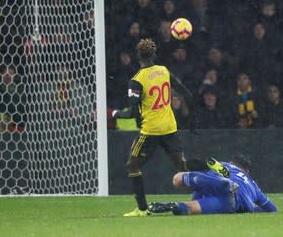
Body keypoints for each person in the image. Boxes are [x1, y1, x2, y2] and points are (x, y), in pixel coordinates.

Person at [112, 39, 219, 217]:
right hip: (170, 128)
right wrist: (193, 118)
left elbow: (132, 112)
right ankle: (211, 165)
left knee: (132, 165)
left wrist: (115, 114)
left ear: (138, 56)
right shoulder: (163, 71)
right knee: (183, 166)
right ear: (154, 54)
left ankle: (142, 209)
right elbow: (186, 93)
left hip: (151, 131)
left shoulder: (136, 80)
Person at [149, 154, 277, 215]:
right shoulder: (252, 184)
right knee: (190, 208)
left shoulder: (224, 165)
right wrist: (252, 209)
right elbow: (272, 209)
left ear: (231, 161)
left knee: (177, 178)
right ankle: (175, 206)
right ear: (247, 171)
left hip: (210, 183)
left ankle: (222, 182)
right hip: (232, 201)